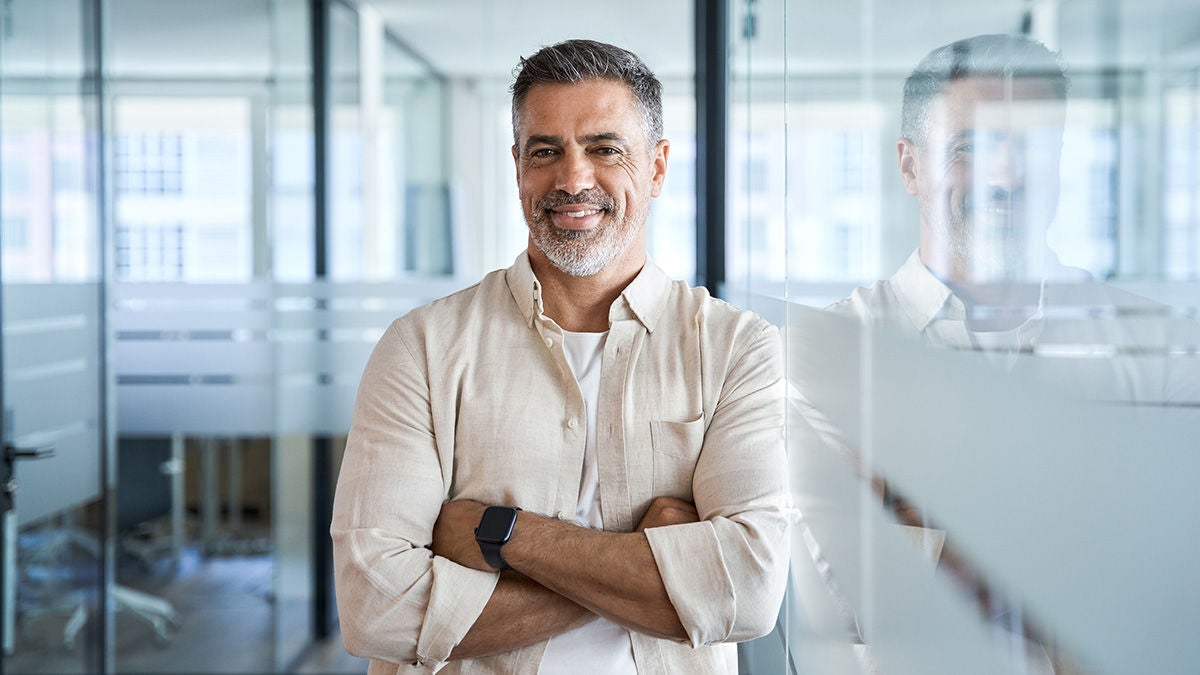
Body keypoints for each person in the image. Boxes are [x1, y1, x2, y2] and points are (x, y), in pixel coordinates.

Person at [331, 39, 791, 675]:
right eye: (545, 151)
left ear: (656, 168)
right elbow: (375, 610)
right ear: (517, 166)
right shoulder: (422, 347)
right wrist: (644, 560)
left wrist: (505, 535)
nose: (573, 179)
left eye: (605, 149)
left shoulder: (736, 348)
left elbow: (747, 593)